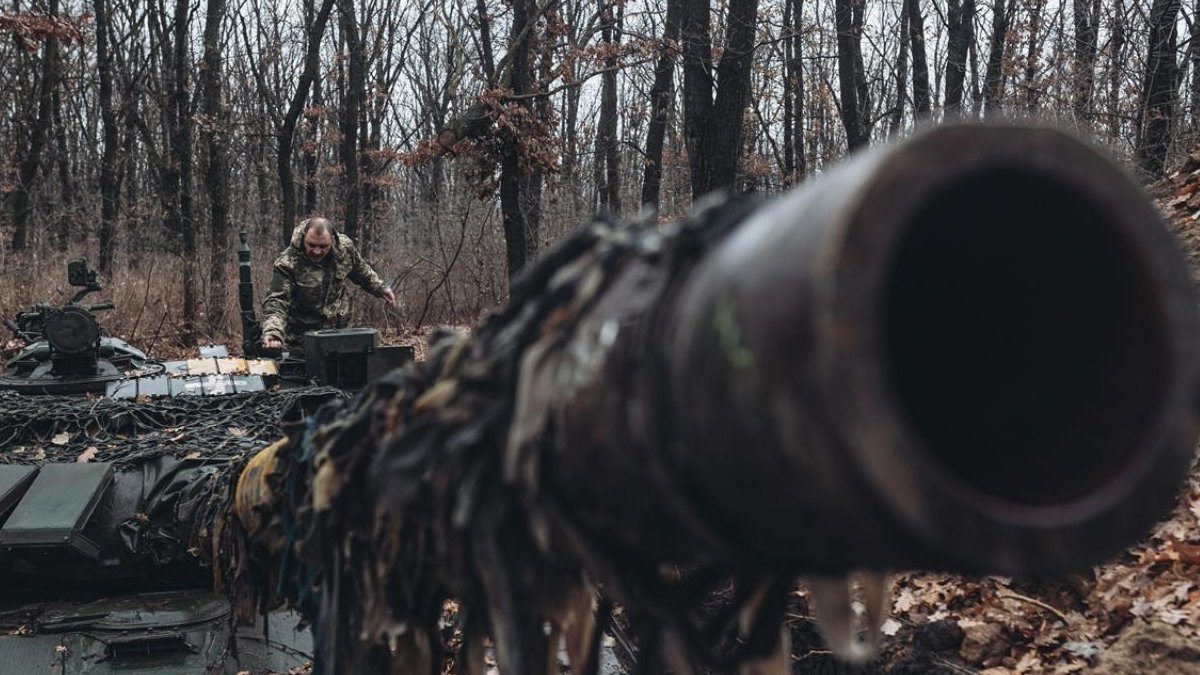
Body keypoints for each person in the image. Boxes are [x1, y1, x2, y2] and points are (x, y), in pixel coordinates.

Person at [261, 217, 396, 352]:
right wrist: (274, 332)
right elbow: (277, 301)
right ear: (303, 238)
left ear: (331, 239)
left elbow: (361, 271)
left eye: (323, 246)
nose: (317, 251)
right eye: (311, 245)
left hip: (340, 333)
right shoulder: (287, 263)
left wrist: (380, 288)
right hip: (302, 340)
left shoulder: (345, 249)